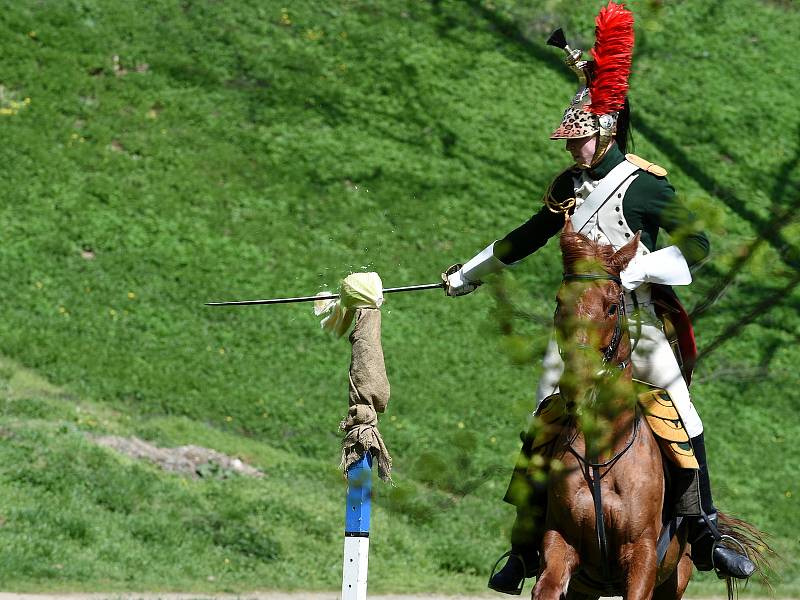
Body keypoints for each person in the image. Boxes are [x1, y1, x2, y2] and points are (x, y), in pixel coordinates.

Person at [442, 2, 755, 593]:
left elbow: (700, 245)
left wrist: (641, 269)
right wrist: (470, 272)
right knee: (541, 424)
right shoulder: (567, 188)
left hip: (636, 323)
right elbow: (527, 237)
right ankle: (526, 545)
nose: (572, 151)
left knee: (684, 417)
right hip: (578, 326)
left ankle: (705, 530)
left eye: (579, 141)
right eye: (569, 142)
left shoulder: (643, 185)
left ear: (604, 134)